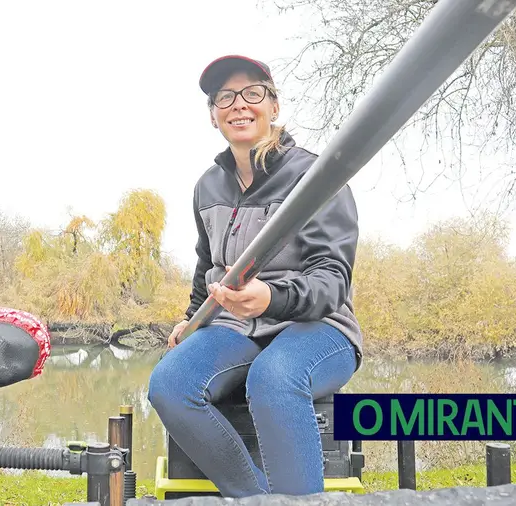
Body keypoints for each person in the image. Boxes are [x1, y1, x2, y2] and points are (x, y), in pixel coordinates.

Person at [147, 55, 364, 498]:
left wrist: (272, 298)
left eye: (252, 93)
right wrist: (191, 321)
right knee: (169, 383)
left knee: (275, 378)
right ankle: (257, 498)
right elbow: (207, 265)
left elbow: (332, 280)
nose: (239, 104)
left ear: (274, 106)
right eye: (224, 97)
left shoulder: (315, 175)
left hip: (318, 326)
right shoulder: (207, 187)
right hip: (236, 326)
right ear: (213, 115)